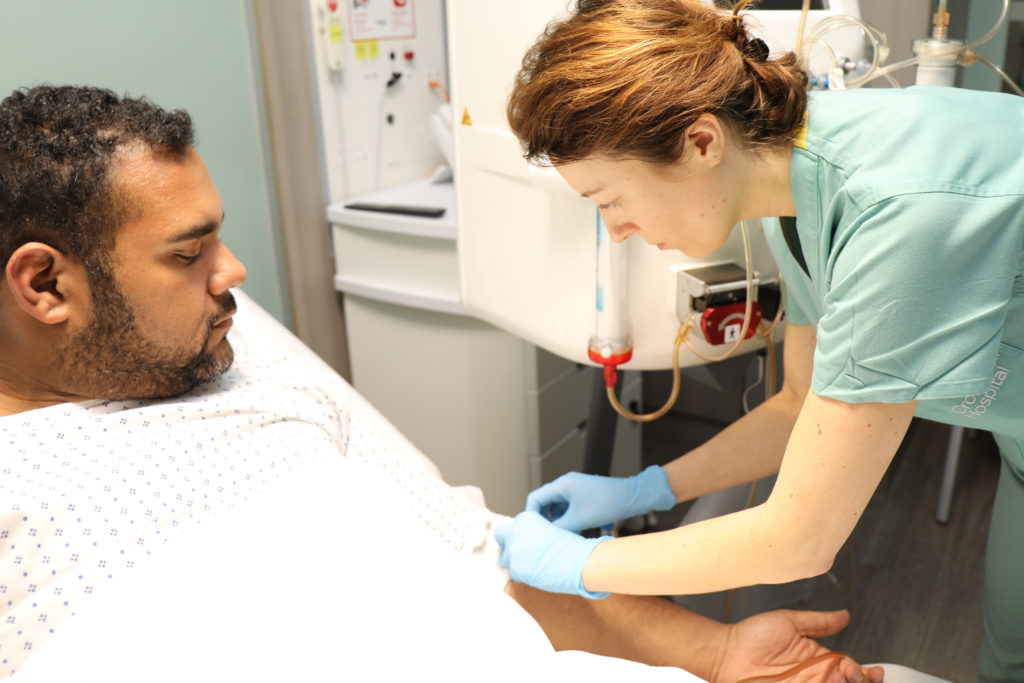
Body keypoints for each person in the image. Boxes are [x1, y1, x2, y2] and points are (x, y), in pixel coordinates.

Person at [0, 84, 888, 682]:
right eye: (189, 253)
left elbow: (483, 554)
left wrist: (723, 649)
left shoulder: (248, 380)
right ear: (45, 285)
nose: (234, 271)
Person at [493, 1, 1024, 682]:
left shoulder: (896, 216)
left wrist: (582, 566)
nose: (617, 229)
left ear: (702, 141)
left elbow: (801, 539)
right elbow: (799, 403)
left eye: (609, 198)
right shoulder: (790, 197)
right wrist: (646, 488)